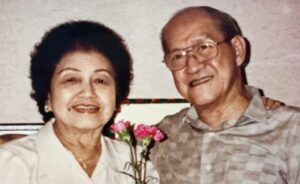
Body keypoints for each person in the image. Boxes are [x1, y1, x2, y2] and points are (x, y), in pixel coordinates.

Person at [150, 6, 300, 184]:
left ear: (237, 50)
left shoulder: (291, 131)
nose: (192, 66)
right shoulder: (160, 138)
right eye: (177, 56)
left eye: (204, 47)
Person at [0, 20, 158, 184]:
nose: (88, 92)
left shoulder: (136, 163)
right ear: (48, 96)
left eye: (100, 80)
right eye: (71, 79)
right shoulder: (13, 163)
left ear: (116, 96)